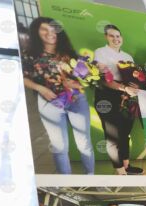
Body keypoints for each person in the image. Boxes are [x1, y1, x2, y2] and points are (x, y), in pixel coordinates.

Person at [22, 17, 94, 174]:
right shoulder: (30, 55)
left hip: (76, 100)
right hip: (49, 102)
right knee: (60, 147)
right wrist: (41, 89)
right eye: (44, 29)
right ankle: (65, 183)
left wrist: (78, 83)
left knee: (84, 143)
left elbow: (85, 79)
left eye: (53, 29)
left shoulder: (69, 53)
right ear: (36, 32)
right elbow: (24, 78)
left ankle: (91, 178)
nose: (50, 33)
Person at [94, 24, 142, 175]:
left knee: (125, 133)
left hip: (126, 96)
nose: (116, 39)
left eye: (118, 36)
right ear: (106, 37)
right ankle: (120, 171)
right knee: (112, 136)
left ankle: (126, 166)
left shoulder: (128, 57)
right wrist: (124, 88)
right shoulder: (100, 52)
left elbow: (133, 77)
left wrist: (135, 85)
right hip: (106, 96)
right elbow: (104, 79)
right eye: (111, 36)